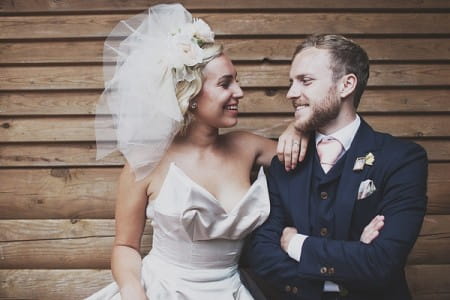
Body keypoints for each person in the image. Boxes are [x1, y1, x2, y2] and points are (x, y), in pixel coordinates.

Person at [86, 4, 308, 300]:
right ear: (190, 96)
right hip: (160, 290)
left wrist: (299, 129)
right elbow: (125, 246)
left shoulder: (248, 147)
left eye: (237, 81)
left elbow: (316, 157)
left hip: (231, 290)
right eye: (225, 84)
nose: (239, 92)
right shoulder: (146, 162)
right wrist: (133, 289)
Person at [244, 34, 428, 300]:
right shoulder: (283, 164)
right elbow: (262, 255)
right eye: (291, 83)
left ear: (346, 85)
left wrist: (295, 244)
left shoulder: (402, 159)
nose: (291, 94)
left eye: (305, 81)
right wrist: (351, 263)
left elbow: (383, 262)